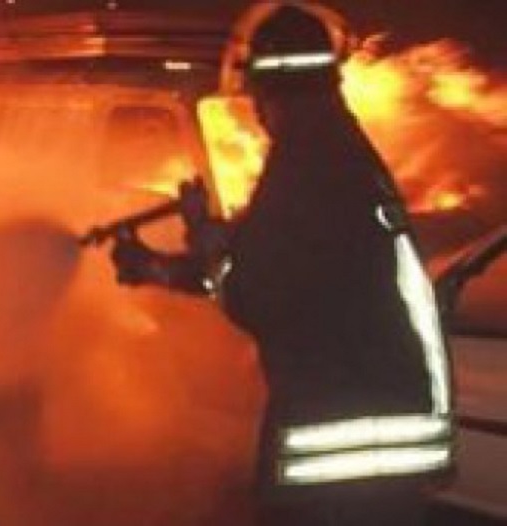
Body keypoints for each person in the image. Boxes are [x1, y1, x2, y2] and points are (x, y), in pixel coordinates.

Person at [108, 3, 453, 525]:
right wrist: (157, 267)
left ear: (272, 89)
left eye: (256, 96)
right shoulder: (341, 153)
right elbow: (283, 269)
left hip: (336, 449)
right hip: (387, 430)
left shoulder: (306, 166)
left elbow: (252, 293)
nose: (256, 112)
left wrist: (204, 235)